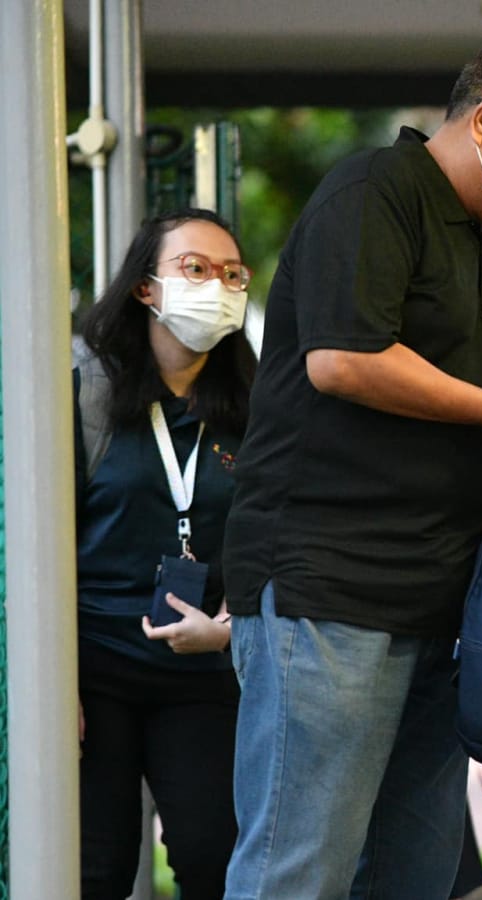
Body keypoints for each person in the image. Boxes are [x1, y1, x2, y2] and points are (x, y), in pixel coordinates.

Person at [220, 27, 482, 899]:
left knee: (416, 878)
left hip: (445, 607)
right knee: (298, 872)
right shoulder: (373, 192)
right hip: (335, 593)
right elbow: (344, 360)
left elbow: (480, 425)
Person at [75, 208, 255, 900]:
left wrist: (233, 623)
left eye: (232, 274)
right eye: (195, 269)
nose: (217, 286)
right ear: (145, 287)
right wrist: (53, 685)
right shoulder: (83, 388)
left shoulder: (255, 400)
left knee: (216, 862)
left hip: (204, 667)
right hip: (93, 665)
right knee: (96, 868)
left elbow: (277, 528)